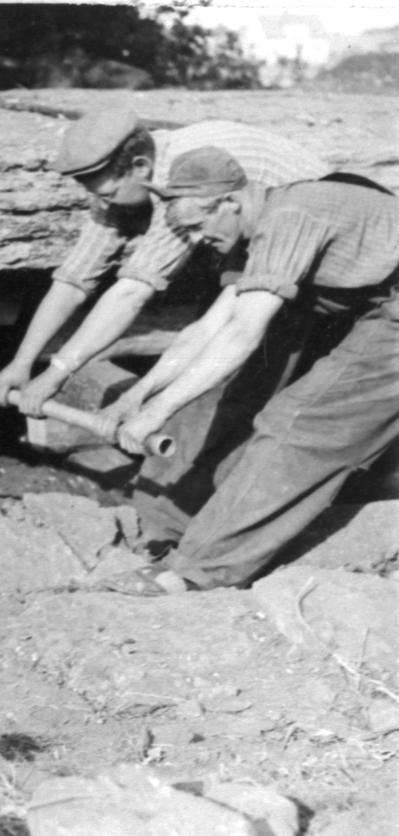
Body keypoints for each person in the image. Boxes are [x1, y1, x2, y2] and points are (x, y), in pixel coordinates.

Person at [95, 146, 399, 596]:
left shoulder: (288, 217)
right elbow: (208, 330)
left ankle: (197, 572)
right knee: (240, 390)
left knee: (299, 423)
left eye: (197, 227)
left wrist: (155, 414)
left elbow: (242, 334)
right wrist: (137, 397)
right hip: (381, 306)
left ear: (230, 202)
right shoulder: (253, 228)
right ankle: (175, 532)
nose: (196, 240)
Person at [0, 109, 329, 427]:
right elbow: (73, 280)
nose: (102, 204)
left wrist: (55, 374)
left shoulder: (178, 185)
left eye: (108, 194)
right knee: (199, 358)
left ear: (140, 166)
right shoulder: (129, 177)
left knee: (230, 384)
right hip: (244, 248)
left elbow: (132, 293)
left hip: (306, 254)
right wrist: (22, 362)